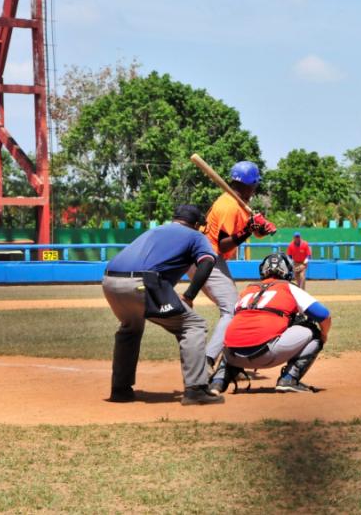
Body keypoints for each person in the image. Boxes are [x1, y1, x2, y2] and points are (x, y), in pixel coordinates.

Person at [102, 205, 223, 405]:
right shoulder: (195, 236)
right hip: (142, 283)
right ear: (195, 224)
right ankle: (196, 390)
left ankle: (120, 389)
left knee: (130, 328)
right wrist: (190, 295)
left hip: (109, 281)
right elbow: (207, 262)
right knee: (193, 325)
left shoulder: (156, 230)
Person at [188, 160, 277, 378]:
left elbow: (255, 233)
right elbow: (225, 244)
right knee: (233, 309)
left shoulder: (238, 203)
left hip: (206, 258)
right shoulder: (228, 205)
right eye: (255, 185)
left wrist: (260, 228)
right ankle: (208, 361)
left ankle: (229, 363)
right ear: (251, 184)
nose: (255, 189)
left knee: (233, 309)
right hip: (207, 258)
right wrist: (248, 229)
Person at [209, 253, 332, 394]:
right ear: (288, 271)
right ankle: (289, 379)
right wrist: (323, 335)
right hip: (266, 355)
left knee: (236, 334)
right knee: (313, 331)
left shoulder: (248, 290)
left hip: (232, 356)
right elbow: (324, 316)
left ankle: (217, 382)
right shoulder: (289, 288)